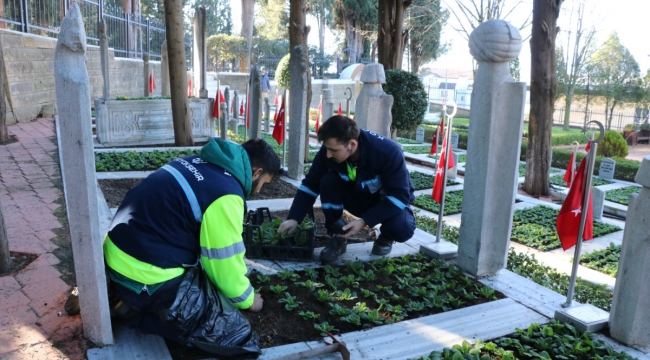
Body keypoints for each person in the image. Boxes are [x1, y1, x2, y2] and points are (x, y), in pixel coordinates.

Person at [103, 138, 282, 344]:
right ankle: (131, 310)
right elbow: (223, 263)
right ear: (257, 172)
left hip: (117, 253)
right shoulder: (226, 194)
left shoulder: (190, 162)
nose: (258, 191)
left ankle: (125, 297)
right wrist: (248, 300)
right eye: (264, 184)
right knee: (222, 331)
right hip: (145, 275)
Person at [277, 115, 416, 263]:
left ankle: (386, 236)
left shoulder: (387, 152)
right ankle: (338, 235)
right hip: (356, 198)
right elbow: (310, 185)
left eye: (333, 150)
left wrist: (364, 221)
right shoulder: (328, 153)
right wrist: (294, 218)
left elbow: (400, 196)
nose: (328, 155)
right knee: (327, 181)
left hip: (383, 202)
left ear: (352, 144)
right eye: (327, 149)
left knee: (402, 228)